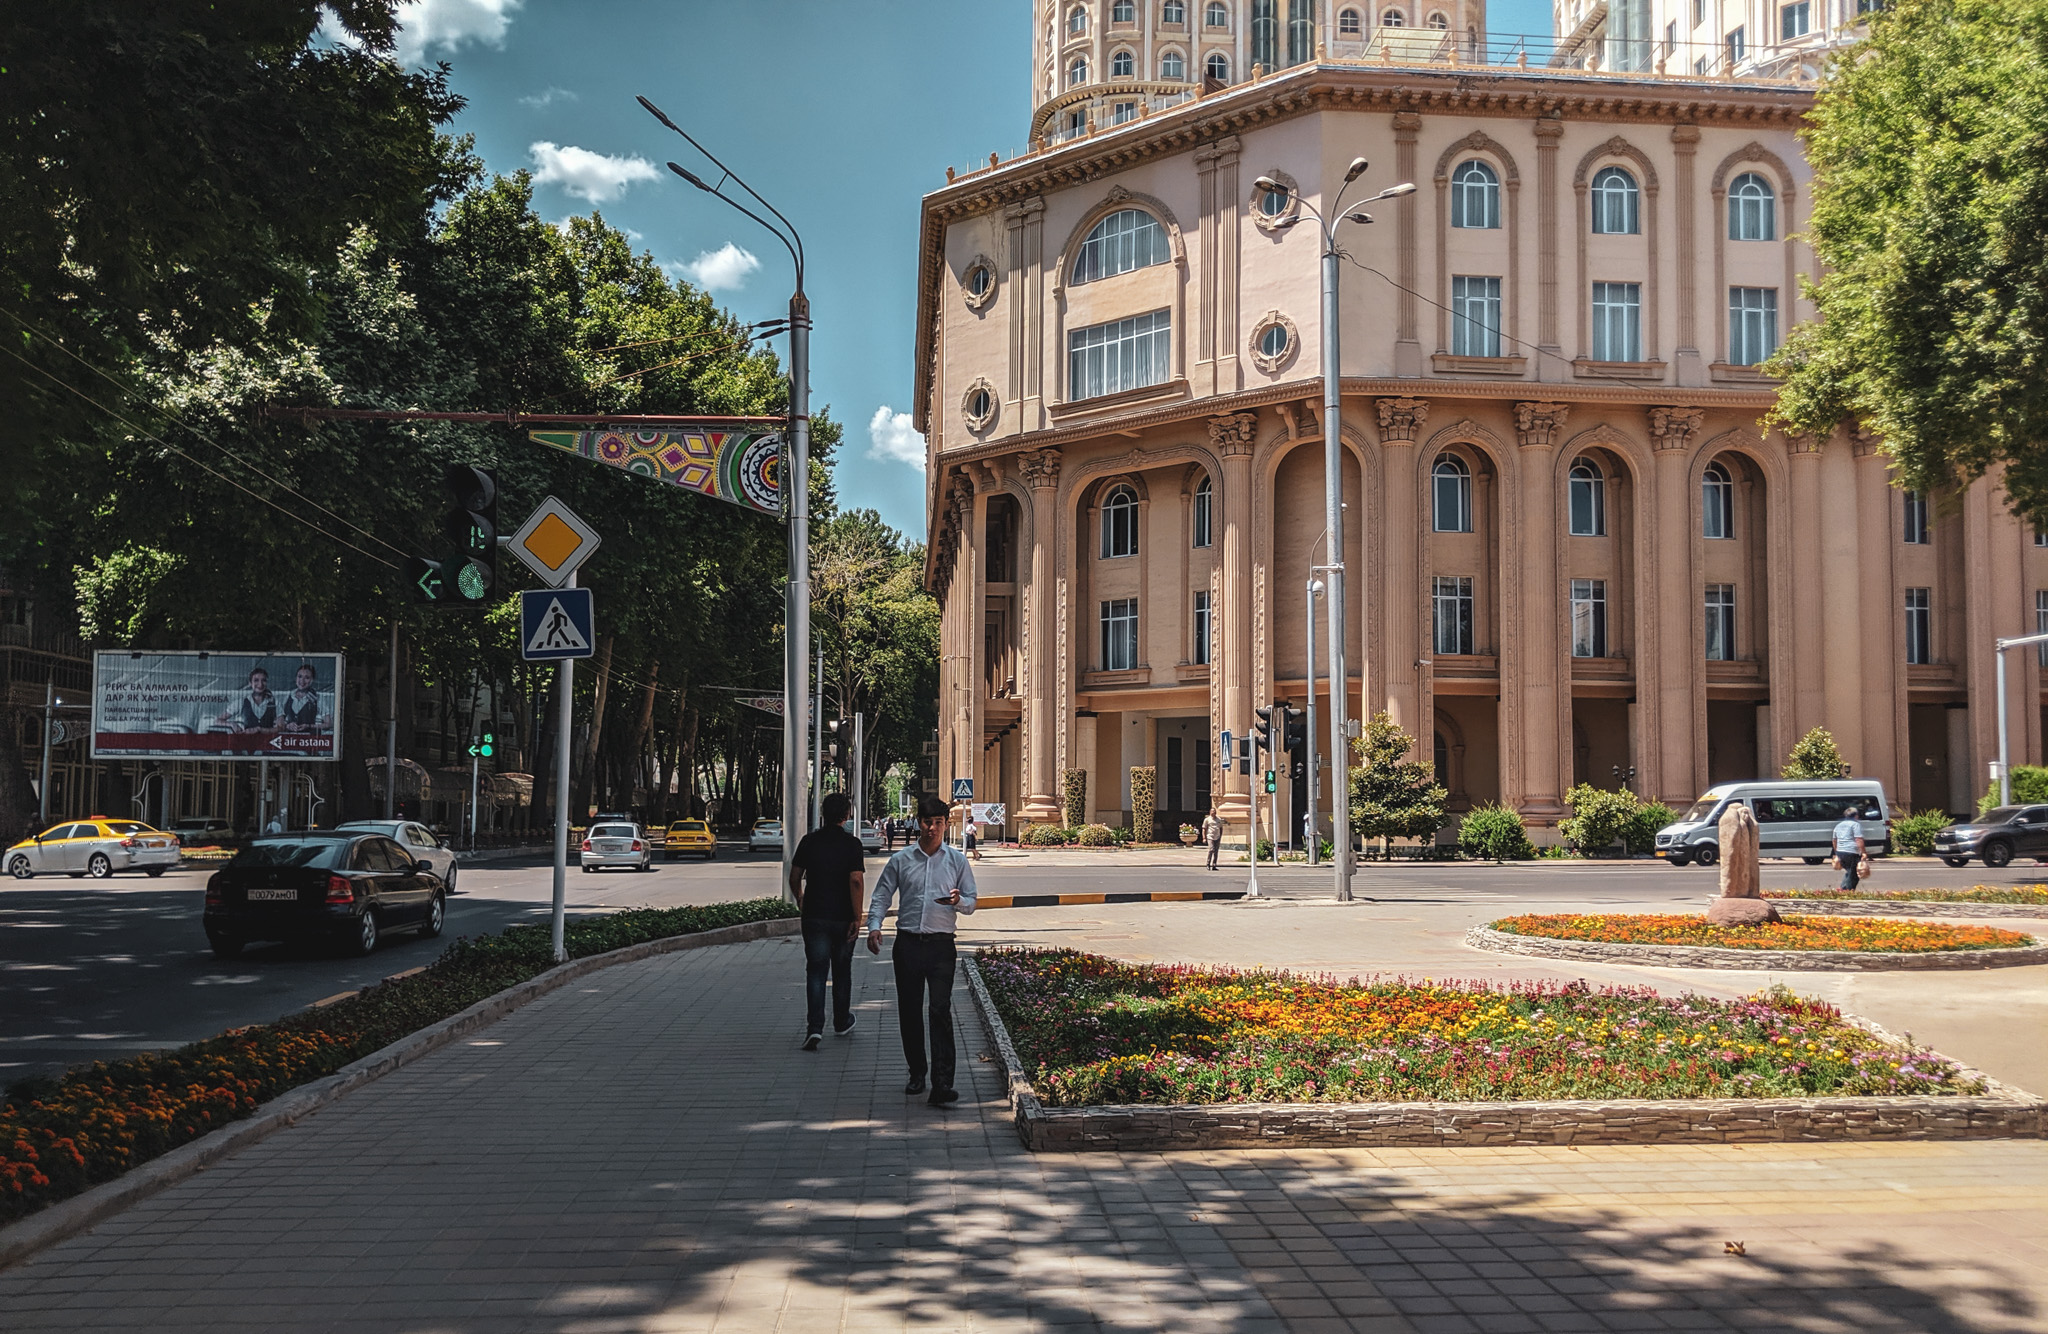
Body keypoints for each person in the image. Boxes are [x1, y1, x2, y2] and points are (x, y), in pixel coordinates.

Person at [867, 794, 978, 1106]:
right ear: (919, 823)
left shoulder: (956, 860)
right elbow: (881, 896)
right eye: (928, 822)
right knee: (910, 1011)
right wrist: (874, 926)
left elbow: (971, 900)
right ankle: (918, 1072)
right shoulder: (901, 860)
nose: (933, 828)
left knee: (940, 1010)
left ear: (946, 825)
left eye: (939, 823)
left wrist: (959, 902)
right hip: (908, 945)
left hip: (942, 946)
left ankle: (943, 1083)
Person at [790, 792, 866, 1050]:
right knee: (842, 970)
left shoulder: (809, 842)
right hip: (843, 917)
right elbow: (856, 880)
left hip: (814, 916)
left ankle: (815, 1028)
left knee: (816, 970)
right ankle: (842, 1020)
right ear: (847, 815)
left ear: (823, 813)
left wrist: (800, 898)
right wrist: (858, 916)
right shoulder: (852, 844)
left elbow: (795, 875)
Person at [217, 667, 277, 732]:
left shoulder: (275, 703)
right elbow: (218, 720)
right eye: (256, 680)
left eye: (263, 680)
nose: (260, 684)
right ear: (250, 683)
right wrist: (232, 724)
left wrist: (260, 729)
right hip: (246, 741)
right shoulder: (241, 702)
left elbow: (281, 727)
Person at [1831, 804, 1866, 891]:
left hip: (1841, 851)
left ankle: (1843, 889)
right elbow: (1858, 839)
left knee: (1850, 871)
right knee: (1854, 873)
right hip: (1852, 851)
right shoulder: (1855, 825)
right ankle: (1847, 891)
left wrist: (1836, 852)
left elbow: (1834, 840)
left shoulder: (1838, 825)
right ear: (1856, 816)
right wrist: (1864, 852)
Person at [1202, 806, 1223, 871]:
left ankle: (1214, 865)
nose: (1213, 813)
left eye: (1214, 812)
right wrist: (1204, 837)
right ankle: (1208, 864)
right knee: (1211, 849)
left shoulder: (1218, 819)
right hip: (1210, 836)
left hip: (1217, 836)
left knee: (1216, 851)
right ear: (1210, 812)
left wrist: (1220, 835)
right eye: (1212, 812)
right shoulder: (1207, 819)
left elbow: (1221, 828)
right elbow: (1204, 829)